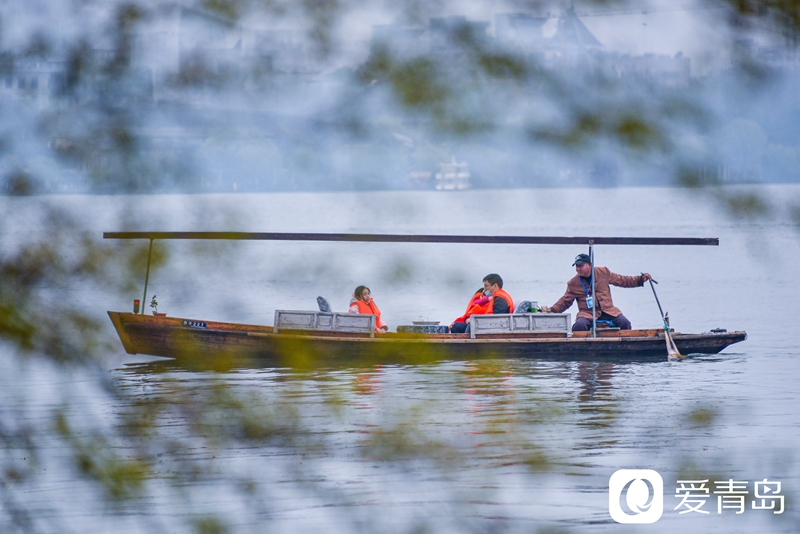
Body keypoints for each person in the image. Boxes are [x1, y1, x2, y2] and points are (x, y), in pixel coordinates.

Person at [544, 253, 651, 331]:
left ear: (589, 265)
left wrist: (640, 279)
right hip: (587, 313)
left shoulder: (603, 272)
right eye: (576, 266)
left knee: (625, 323)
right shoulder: (573, 283)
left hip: (608, 311)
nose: (578, 269)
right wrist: (552, 310)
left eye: (580, 266)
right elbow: (565, 301)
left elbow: (622, 280)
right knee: (579, 326)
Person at [450, 274, 514, 334]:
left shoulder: (500, 300)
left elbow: (496, 320)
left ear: (495, 286)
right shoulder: (492, 297)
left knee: (471, 326)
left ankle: (468, 345)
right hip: (482, 323)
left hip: (489, 327)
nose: (484, 289)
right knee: (456, 326)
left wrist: (474, 320)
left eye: (486, 286)